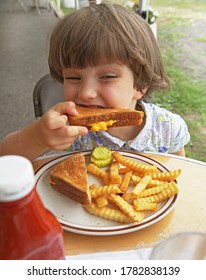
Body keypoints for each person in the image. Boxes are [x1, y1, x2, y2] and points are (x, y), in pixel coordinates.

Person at [0, 3, 190, 161]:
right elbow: (6, 157)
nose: (85, 93)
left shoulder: (167, 128)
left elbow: (182, 174)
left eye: (107, 77)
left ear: (140, 84)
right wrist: (39, 136)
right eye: (73, 77)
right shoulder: (70, 129)